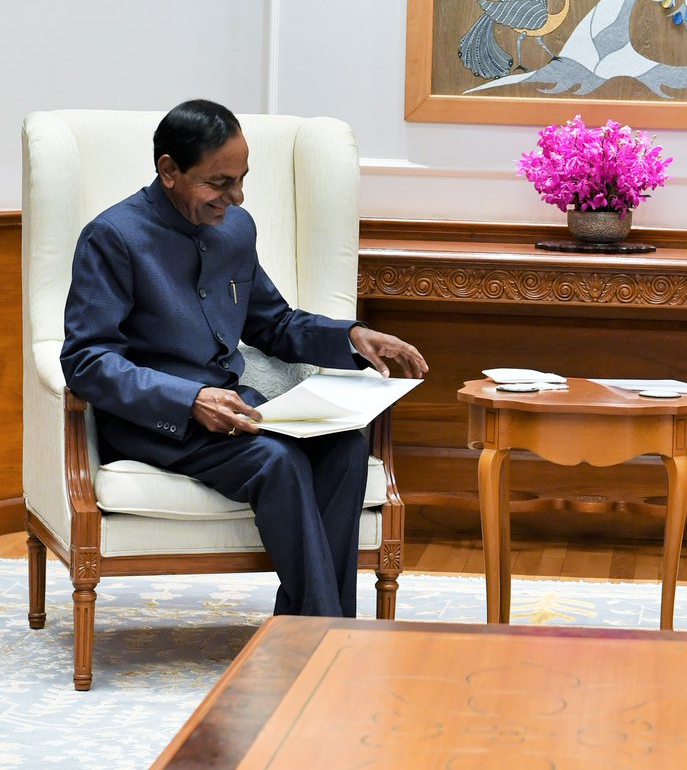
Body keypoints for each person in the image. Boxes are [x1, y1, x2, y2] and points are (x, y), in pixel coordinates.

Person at [60, 99, 428, 619]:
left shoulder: (236, 229)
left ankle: (304, 625)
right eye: (218, 182)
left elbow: (273, 323)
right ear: (168, 171)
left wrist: (351, 336)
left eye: (241, 179)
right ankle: (328, 633)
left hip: (236, 410)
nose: (235, 197)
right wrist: (190, 399)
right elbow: (86, 360)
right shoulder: (112, 237)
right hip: (155, 421)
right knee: (276, 462)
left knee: (345, 450)